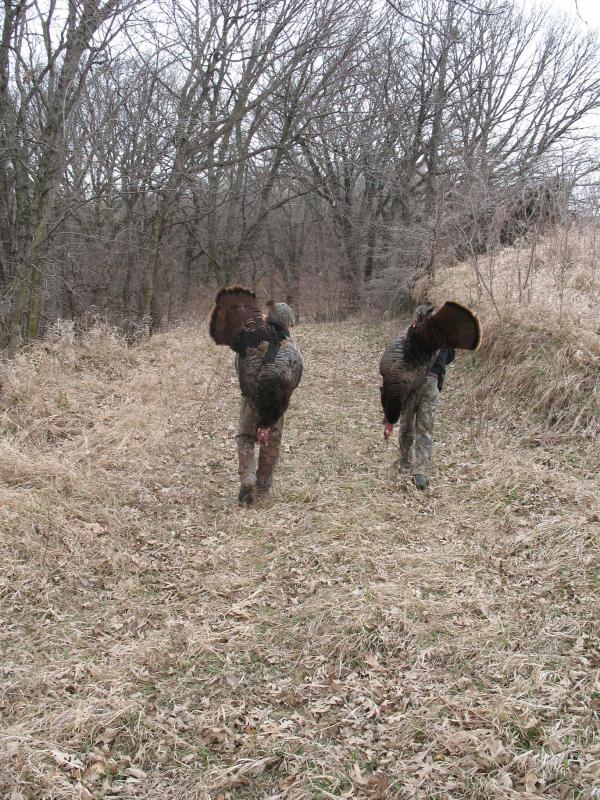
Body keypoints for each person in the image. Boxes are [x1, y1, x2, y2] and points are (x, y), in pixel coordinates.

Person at [236, 301, 297, 505]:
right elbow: (293, 380)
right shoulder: (289, 348)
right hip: (275, 404)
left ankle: (247, 478)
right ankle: (263, 488)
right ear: (287, 323)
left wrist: (249, 392)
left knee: (245, 437)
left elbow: (239, 368)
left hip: (250, 401)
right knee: (271, 443)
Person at [399, 304, 455, 490]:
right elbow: (449, 358)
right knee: (425, 428)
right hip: (431, 384)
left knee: (407, 424)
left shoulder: (409, 334)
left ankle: (405, 462)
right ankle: (420, 472)